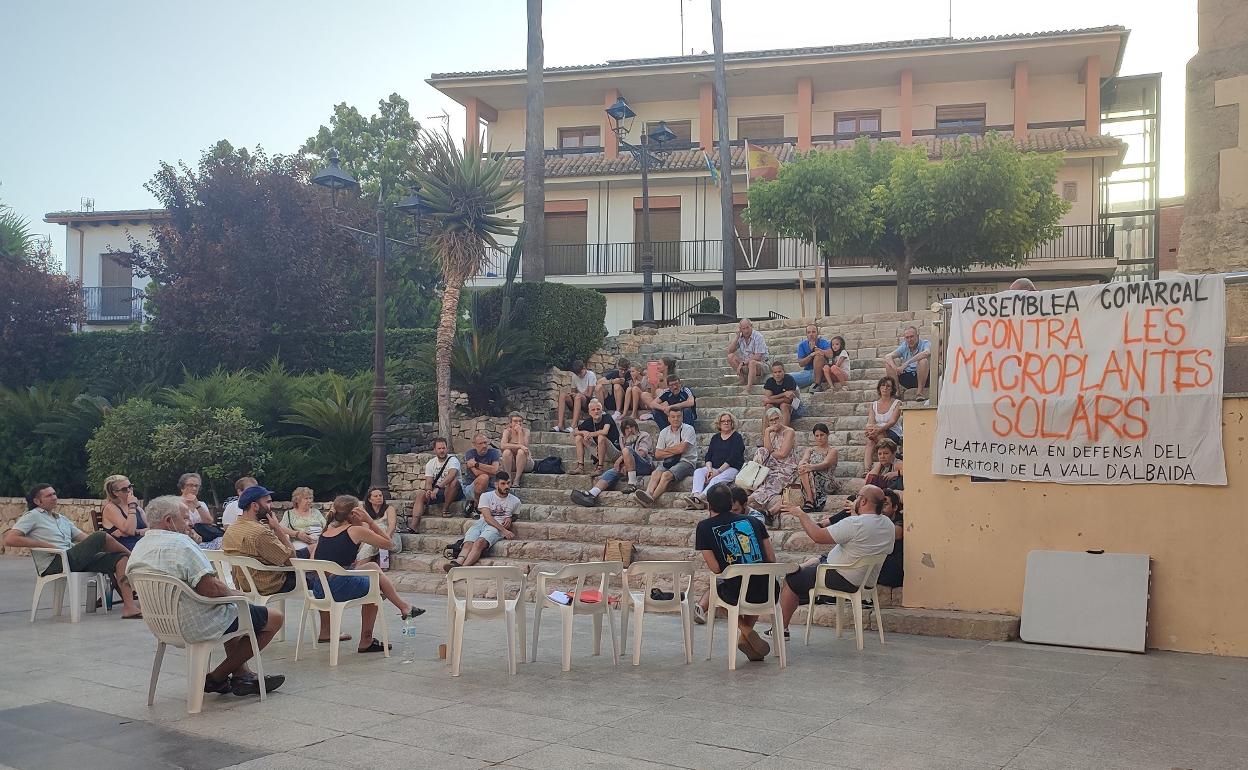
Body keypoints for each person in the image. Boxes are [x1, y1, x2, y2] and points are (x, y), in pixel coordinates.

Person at [126, 495, 285, 696]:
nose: (190, 522)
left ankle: (242, 675)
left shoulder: (140, 546)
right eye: (185, 518)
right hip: (196, 622)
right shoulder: (182, 544)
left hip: (162, 624)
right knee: (272, 618)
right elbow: (210, 590)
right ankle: (216, 677)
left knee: (232, 609)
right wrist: (237, 594)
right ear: (168, 520)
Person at [774, 484, 895, 638]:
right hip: (866, 580)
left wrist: (801, 514)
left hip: (843, 577)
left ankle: (780, 630)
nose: (856, 500)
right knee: (811, 566)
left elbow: (817, 536)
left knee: (792, 579)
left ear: (863, 501)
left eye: (858, 496)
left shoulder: (855, 524)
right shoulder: (888, 524)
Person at [4, 484, 142, 619]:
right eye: (49, 495)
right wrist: (45, 545)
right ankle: (132, 556)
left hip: (72, 559)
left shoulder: (61, 519)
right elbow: (10, 539)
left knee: (120, 558)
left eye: (54, 494)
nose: (54, 497)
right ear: (37, 501)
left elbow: (84, 538)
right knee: (100, 535)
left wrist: (100, 544)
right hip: (55, 562)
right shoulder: (33, 516)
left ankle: (129, 608)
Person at [308, 496, 424, 653]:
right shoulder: (355, 530)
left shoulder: (326, 531)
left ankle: (326, 631)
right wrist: (370, 521)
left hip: (319, 590)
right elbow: (390, 544)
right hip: (337, 588)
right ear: (354, 513)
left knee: (372, 567)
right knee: (375, 588)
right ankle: (367, 639)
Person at [694, 484, 777, 662]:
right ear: (731, 502)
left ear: (710, 505)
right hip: (768, 591)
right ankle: (746, 640)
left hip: (735, 593)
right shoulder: (754, 522)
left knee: (718, 594)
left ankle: (746, 631)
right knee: (755, 578)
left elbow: (715, 568)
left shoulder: (704, 527)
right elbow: (771, 558)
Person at [221, 485, 298, 597]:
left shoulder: (232, 528)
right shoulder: (260, 533)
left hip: (243, 583)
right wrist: (277, 528)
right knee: (316, 579)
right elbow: (291, 560)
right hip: (268, 585)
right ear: (255, 506)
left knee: (308, 550)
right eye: (268, 502)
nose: (270, 506)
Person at [444, 471, 520, 571]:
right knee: (468, 543)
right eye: (503, 483)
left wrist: (510, 518)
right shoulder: (486, 496)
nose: (507, 486)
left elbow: (515, 515)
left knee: (479, 543)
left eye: (508, 483)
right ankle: (457, 563)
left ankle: (462, 569)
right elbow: (487, 518)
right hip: (482, 523)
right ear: (496, 484)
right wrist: (505, 531)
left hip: (495, 528)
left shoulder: (515, 501)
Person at [570, 417, 653, 506]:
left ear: (636, 427)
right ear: (623, 430)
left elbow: (642, 453)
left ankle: (632, 484)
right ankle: (591, 494)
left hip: (645, 465)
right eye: (627, 428)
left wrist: (621, 459)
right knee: (611, 472)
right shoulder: (622, 438)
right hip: (629, 467)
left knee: (627, 450)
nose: (630, 430)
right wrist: (625, 464)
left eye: (632, 427)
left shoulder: (644, 435)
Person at [634, 406, 698, 508]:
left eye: (678, 416)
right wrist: (675, 449)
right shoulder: (664, 432)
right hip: (670, 462)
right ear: (668, 418)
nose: (676, 419)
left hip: (686, 462)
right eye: (673, 417)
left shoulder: (689, 429)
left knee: (666, 475)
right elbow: (658, 454)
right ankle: (648, 493)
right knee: (656, 473)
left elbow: (682, 450)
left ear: (682, 417)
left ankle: (651, 499)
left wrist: (667, 450)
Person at [682, 412, 745, 510]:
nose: (726, 423)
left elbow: (733, 458)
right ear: (719, 424)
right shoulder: (715, 438)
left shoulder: (737, 437)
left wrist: (718, 471)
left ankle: (700, 498)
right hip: (714, 467)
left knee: (716, 479)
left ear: (732, 423)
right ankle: (696, 495)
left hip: (730, 468)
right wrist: (710, 469)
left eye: (728, 421)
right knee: (698, 472)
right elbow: (709, 456)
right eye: (723, 421)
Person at [748, 407, 800, 526]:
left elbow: (782, 454)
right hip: (771, 465)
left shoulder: (789, 432)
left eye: (777, 419)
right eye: (772, 420)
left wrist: (771, 452)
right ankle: (753, 480)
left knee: (770, 481)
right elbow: (767, 450)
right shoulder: (770, 433)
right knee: (761, 451)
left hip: (786, 467)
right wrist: (767, 432)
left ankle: (751, 500)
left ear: (781, 418)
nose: (775, 422)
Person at [410, 438, 460, 529]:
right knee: (421, 494)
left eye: (443, 448)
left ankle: (445, 510)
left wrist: (438, 487)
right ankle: (413, 526)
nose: (442, 451)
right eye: (439, 448)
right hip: (439, 492)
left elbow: (451, 475)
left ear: (447, 449)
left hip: (454, 491)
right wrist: (428, 490)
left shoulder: (453, 460)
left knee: (453, 482)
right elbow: (428, 481)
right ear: (435, 450)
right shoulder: (431, 463)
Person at [571, 398, 620, 476]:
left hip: (615, 452)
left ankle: (600, 468)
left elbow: (605, 431)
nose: (596, 411)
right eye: (593, 410)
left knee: (601, 437)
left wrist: (590, 434)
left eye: (598, 409)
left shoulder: (607, 417)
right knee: (578, 437)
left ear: (601, 410)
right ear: (589, 412)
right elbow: (574, 432)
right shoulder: (589, 421)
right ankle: (580, 467)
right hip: (600, 452)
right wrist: (583, 432)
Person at [798, 424, 839, 513]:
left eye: (822, 435)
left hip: (827, 480)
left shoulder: (832, 451)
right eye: (817, 436)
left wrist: (811, 467)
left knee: (807, 470)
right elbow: (804, 459)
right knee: (803, 468)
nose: (819, 438)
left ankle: (810, 500)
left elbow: (826, 463)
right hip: (811, 476)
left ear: (827, 434)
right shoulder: (810, 450)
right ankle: (810, 499)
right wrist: (803, 464)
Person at [356, 487, 401, 568]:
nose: (379, 497)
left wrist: (386, 538)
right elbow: (365, 529)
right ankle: (382, 563)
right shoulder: (365, 511)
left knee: (381, 527)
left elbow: (392, 526)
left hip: (390, 538)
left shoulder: (389, 508)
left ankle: (359, 565)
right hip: (373, 538)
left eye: (380, 495)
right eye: (376, 496)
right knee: (372, 542)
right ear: (370, 499)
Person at [100, 474, 147, 551]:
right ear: (115, 493)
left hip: (141, 546)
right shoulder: (111, 508)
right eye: (124, 489)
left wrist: (137, 532)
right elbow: (130, 530)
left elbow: (152, 528)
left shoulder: (137, 508)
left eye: (130, 486)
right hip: (124, 550)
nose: (129, 490)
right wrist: (132, 505)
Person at [883, 326, 931, 401]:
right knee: (888, 364)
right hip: (908, 377)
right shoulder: (904, 345)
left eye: (912, 337)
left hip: (923, 377)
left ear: (917, 336)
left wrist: (906, 364)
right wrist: (895, 368)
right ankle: (897, 393)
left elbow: (926, 353)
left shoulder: (925, 343)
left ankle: (920, 393)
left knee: (923, 361)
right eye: (907, 337)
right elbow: (887, 356)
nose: (909, 340)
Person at [461, 434, 502, 516]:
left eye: (485, 443)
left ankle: (472, 503)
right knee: (484, 478)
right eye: (480, 443)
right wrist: (491, 472)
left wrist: (476, 464)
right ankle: (477, 506)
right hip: (471, 487)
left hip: (490, 488)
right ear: (474, 445)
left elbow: (494, 470)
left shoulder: (494, 452)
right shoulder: (470, 454)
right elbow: (476, 473)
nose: (484, 446)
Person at [865, 377, 903, 466]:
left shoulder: (897, 403)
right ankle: (867, 469)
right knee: (870, 441)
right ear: (879, 388)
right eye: (883, 386)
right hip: (877, 431)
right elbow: (871, 422)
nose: (885, 388)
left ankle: (892, 456)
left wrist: (878, 430)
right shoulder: (873, 404)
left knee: (875, 435)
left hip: (892, 431)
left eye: (888, 386)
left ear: (892, 389)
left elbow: (892, 421)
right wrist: (870, 430)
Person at [277, 487, 325, 556]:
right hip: (299, 542)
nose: (309, 501)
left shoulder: (316, 512)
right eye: (306, 498)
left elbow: (326, 526)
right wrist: (297, 534)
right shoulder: (289, 514)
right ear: (297, 500)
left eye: (310, 498)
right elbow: (280, 528)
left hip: (317, 541)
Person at [555, 359, 597, 433]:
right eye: (577, 374)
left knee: (578, 397)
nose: (579, 375)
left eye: (580, 373)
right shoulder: (575, 377)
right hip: (578, 400)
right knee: (563, 395)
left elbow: (589, 394)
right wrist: (572, 395)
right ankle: (560, 425)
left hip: (588, 402)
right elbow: (573, 391)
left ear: (584, 368)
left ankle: (574, 425)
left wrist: (578, 394)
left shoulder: (591, 375)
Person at [180, 473, 222, 547]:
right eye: (190, 485)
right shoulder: (176, 503)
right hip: (186, 539)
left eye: (196, 486)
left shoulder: (201, 504)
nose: (194, 488)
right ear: (182, 487)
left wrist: (197, 505)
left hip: (204, 538)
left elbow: (209, 522)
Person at [726, 319, 769, 391]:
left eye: (747, 328)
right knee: (730, 357)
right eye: (743, 328)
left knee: (752, 362)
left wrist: (743, 363)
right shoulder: (740, 337)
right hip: (747, 364)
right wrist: (737, 337)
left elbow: (758, 356)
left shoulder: (758, 336)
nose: (746, 331)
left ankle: (749, 386)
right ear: (740, 329)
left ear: (751, 326)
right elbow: (730, 351)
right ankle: (742, 379)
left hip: (762, 364)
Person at [634, 356, 678, 421]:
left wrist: (662, 380)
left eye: (659, 364)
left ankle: (658, 413)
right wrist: (651, 382)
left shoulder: (673, 377)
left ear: (666, 366)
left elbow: (670, 392)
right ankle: (655, 413)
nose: (657, 366)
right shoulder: (657, 375)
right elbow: (653, 395)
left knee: (659, 391)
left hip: (669, 401)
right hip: (658, 402)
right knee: (644, 394)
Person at [878, 489, 905, 589]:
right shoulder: (877, 519)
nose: (881, 509)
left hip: (893, 570)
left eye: (885, 505)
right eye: (879, 505)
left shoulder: (900, 519)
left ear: (895, 507)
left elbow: (896, 533)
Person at [762, 361, 803, 427]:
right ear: (772, 374)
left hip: (795, 409)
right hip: (778, 410)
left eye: (779, 371)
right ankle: (764, 435)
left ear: (784, 371)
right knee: (768, 406)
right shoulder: (770, 381)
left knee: (784, 405)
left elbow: (789, 400)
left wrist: (771, 399)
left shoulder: (789, 379)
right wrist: (783, 394)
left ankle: (784, 434)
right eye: (775, 372)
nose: (777, 374)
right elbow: (766, 400)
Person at [499, 412, 534, 488]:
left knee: (521, 452)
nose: (518, 423)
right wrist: (520, 446)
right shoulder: (507, 431)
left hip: (525, 463)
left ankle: (517, 480)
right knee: (506, 452)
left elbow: (524, 448)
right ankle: (508, 479)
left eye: (520, 421)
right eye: (515, 421)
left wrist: (520, 433)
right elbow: (502, 445)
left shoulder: (526, 431)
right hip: (510, 463)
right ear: (510, 423)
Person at [793, 324, 831, 391]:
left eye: (813, 332)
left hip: (821, 372)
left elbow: (830, 354)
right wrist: (811, 355)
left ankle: (817, 384)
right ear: (806, 334)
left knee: (819, 356)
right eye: (809, 332)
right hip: (808, 373)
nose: (811, 334)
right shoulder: (802, 345)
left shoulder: (823, 342)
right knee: (786, 377)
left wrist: (817, 349)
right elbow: (801, 363)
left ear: (817, 333)